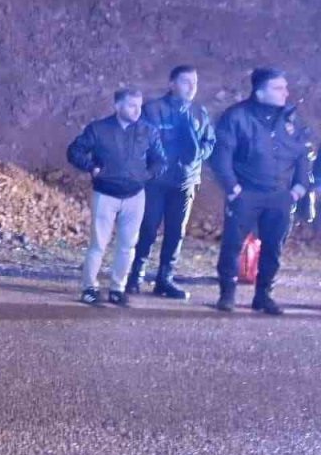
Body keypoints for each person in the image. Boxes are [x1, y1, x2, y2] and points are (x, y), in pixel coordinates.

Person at [211, 68, 313, 315]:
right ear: (260, 92)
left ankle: (263, 295)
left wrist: (299, 187)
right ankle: (227, 294)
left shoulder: (291, 119)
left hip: (280, 195)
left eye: (285, 87)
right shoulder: (237, 116)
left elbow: (302, 153)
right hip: (246, 193)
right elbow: (221, 155)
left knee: (273, 247)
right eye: (279, 88)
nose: (286, 93)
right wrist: (233, 188)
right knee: (233, 245)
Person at [67, 88, 166, 307]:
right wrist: (92, 167)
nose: (137, 110)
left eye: (139, 105)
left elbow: (160, 160)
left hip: (135, 195)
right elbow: (74, 151)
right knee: (98, 244)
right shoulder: (98, 129)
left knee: (127, 245)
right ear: (118, 106)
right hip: (105, 194)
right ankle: (89, 288)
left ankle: (117, 288)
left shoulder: (148, 131)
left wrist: (146, 175)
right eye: (132, 105)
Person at [125, 66, 216, 300]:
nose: (192, 87)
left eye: (195, 82)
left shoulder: (199, 113)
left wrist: (198, 155)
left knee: (176, 232)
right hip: (156, 181)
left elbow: (209, 142)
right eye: (186, 82)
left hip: (185, 182)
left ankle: (165, 279)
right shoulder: (153, 110)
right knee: (148, 228)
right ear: (172, 84)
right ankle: (136, 275)